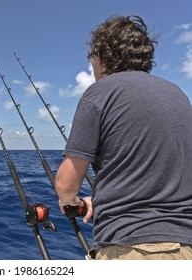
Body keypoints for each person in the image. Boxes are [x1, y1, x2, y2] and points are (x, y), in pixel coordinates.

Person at [55, 15, 192, 260]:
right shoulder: (178, 94)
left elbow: (66, 184)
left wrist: (70, 200)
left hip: (131, 249)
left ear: (100, 57)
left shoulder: (98, 93)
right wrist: (103, 201)